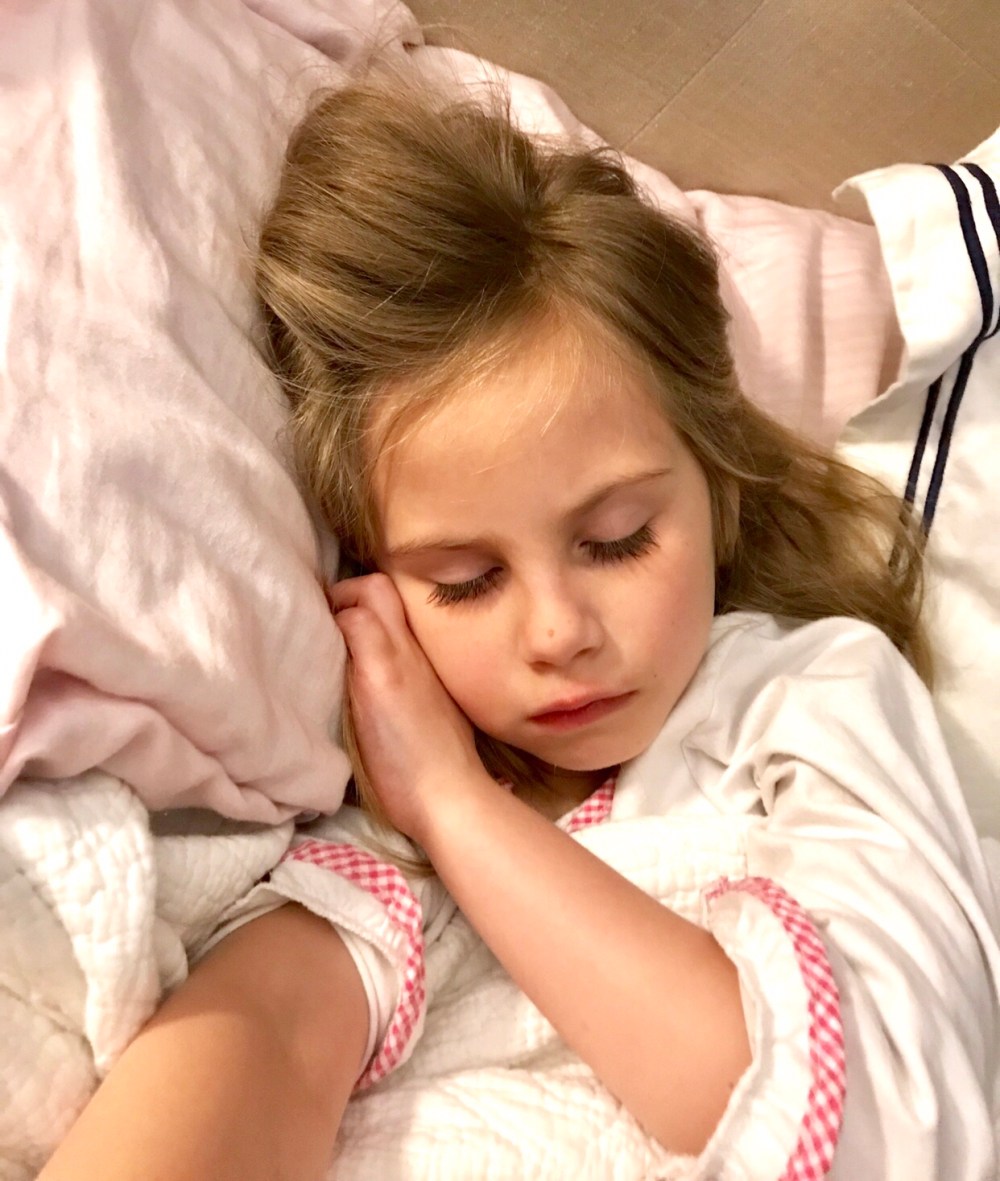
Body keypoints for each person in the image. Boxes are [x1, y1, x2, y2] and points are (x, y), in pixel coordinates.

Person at [39, 80, 1000, 1181]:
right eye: (466, 581)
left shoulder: (813, 696)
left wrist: (456, 808)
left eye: (619, 539)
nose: (557, 630)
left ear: (717, 485)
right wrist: (432, 803)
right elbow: (269, 1038)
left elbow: (897, 1129)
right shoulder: (379, 836)